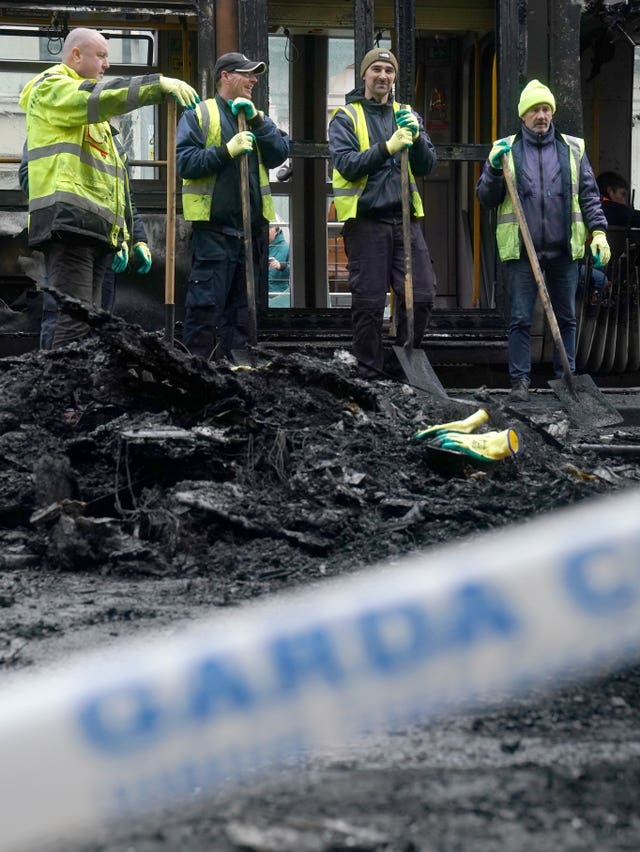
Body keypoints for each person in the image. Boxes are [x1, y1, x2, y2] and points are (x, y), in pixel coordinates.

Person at [18, 27, 198, 349]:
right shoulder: (52, 88)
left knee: (91, 326)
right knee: (73, 324)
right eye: (101, 56)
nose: (107, 65)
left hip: (95, 233)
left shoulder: (99, 125)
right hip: (69, 226)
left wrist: (128, 237)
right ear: (76, 55)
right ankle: (60, 396)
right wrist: (154, 86)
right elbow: (99, 96)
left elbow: (117, 187)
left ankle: (78, 393)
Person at [476, 79, 610, 402]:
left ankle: (567, 380)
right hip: (523, 251)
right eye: (535, 109)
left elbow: (590, 196)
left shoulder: (572, 149)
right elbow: (485, 197)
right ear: (523, 115)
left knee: (567, 318)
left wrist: (600, 231)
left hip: (564, 251)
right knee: (520, 318)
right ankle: (520, 382)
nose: (542, 115)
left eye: (546, 108)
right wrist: (494, 169)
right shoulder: (506, 150)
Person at [328, 47, 437, 379]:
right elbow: (346, 163)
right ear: (364, 75)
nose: (383, 76)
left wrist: (416, 139)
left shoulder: (407, 113)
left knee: (421, 295)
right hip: (366, 222)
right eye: (376, 69)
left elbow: (427, 164)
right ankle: (370, 371)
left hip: (404, 220)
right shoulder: (346, 117)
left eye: (389, 71)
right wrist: (387, 147)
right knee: (369, 303)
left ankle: (400, 365)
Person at [176, 52, 289, 360]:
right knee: (205, 310)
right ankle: (197, 376)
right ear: (225, 76)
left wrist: (256, 120)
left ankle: (238, 375)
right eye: (246, 74)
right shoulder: (199, 114)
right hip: (214, 233)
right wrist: (226, 151)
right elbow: (185, 163)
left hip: (250, 236)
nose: (254, 80)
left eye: (255, 75)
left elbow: (280, 152)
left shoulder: (256, 117)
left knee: (242, 314)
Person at [19, 133, 152, 349]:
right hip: (70, 236)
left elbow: (124, 197)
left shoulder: (112, 142)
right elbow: (28, 177)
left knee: (97, 321)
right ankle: (51, 376)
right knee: (64, 317)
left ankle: (87, 377)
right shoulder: (61, 127)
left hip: (106, 242)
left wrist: (136, 239)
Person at [267, 223, 290, 308]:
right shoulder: (257, 247)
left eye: (269, 227)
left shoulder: (287, 248)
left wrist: (281, 266)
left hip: (279, 297)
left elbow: (296, 271)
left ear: (276, 230)